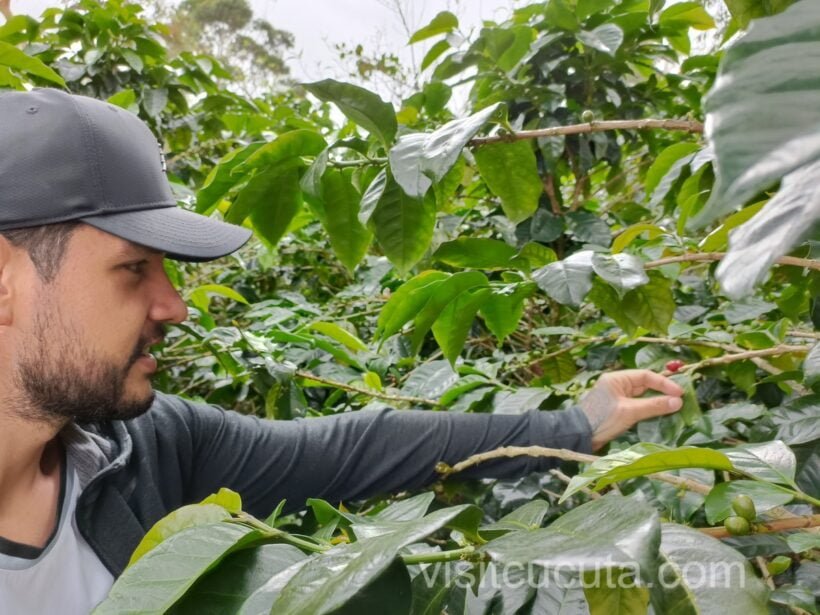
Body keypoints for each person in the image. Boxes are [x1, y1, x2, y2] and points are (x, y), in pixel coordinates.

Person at [0, 89, 684, 613]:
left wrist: (575, 423)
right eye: (133, 269)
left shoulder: (138, 449)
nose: (174, 306)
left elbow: (352, 445)